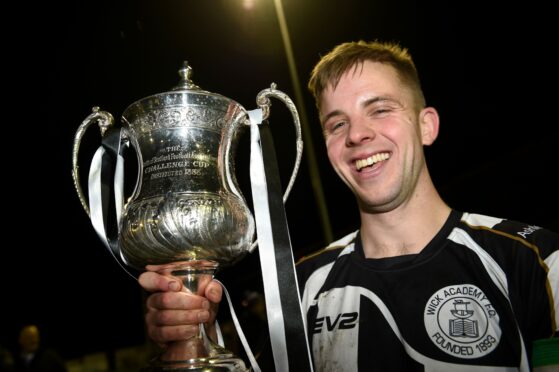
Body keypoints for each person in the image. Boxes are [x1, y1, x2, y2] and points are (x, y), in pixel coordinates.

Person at [138, 40, 559, 371]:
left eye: (380, 109)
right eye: (338, 123)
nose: (358, 135)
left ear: (426, 125)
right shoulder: (299, 289)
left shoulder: (535, 260)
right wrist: (197, 339)